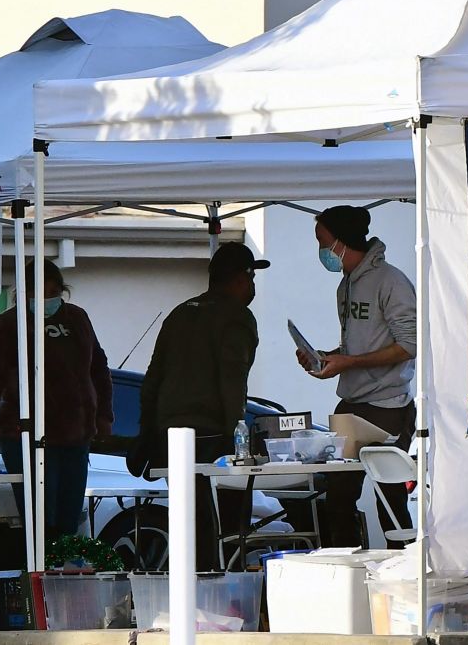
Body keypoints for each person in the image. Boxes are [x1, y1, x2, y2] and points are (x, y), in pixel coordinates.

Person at [139, 242, 268, 570]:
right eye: (252, 279)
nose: (253, 287)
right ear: (242, 278)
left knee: (188, 523)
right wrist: (235, 435)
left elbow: (152, 378)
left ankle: (192, 594)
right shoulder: (237, 317)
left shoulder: (180, 313)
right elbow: (232, 379)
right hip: (212, 436)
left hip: (171, 437)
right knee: (225, 529)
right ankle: (224, 594)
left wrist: (147, 433)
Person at [297, 205, 417, 548]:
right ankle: (345, 569)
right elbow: (359, 345)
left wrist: (347, 362)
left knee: (390, 497)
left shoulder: (391, 281)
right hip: (352, 404)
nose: (320, 251)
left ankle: (402, 571)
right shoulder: (345, 285)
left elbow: (409, 345)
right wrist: (326, 358)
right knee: (338, 495)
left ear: (341, 242)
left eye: (323, 242)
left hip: (387, 404)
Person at [0, 260, 113, 541]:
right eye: (38, 295)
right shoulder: (4, 327)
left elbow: (99, 369)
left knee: (68, 522)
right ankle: (37, 575)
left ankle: (61, 572)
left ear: (62, 291)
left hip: (75, 436)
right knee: (40, 524)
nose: (46, 301)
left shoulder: (78, 319)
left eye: (52, 295)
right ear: (23, 294)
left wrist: (103, 417)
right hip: (23, 436)